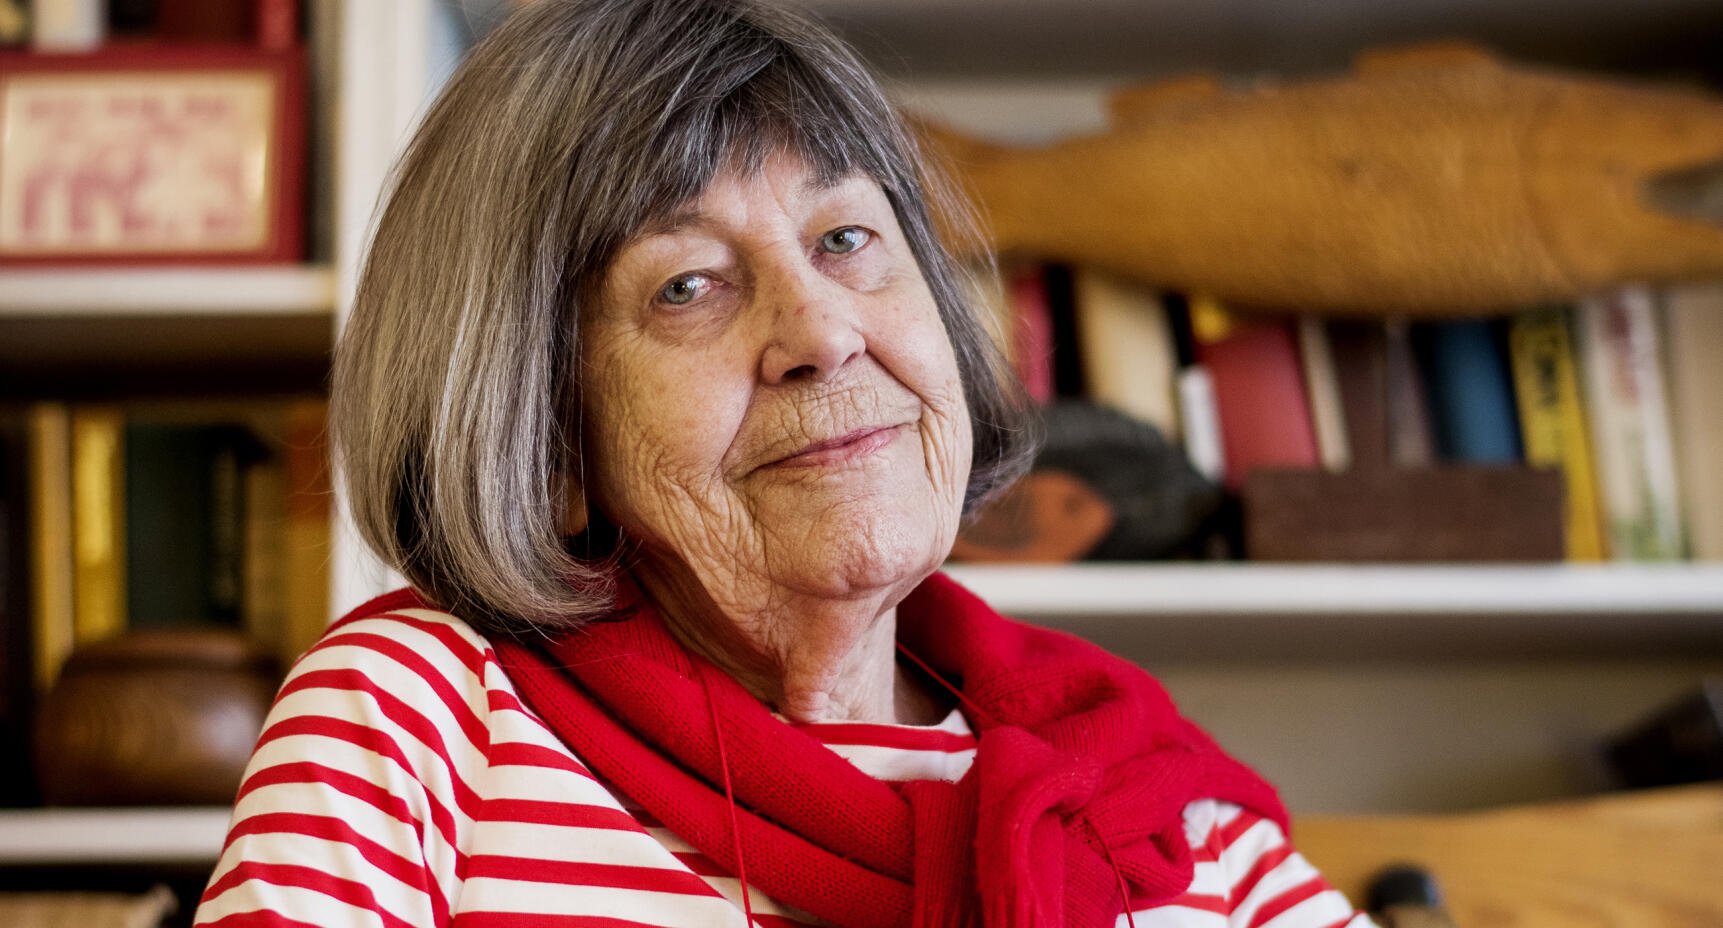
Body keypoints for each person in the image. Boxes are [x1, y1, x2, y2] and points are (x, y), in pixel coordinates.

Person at [194, 1, 1374, 926]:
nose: (821, 331)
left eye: (846, 237)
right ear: (539, 419)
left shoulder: (1140, 787)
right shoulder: (416, 716)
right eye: (686, 285)